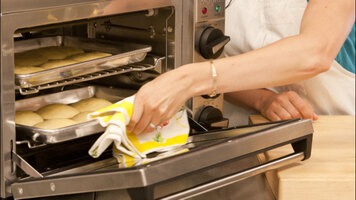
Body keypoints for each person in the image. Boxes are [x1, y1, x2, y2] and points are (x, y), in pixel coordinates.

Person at [127, 0, 355, 134]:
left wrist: (189, 80)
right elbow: (211, 56)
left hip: (335, 138)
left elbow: (314, 53)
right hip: (246, 139)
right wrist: (261, 99)